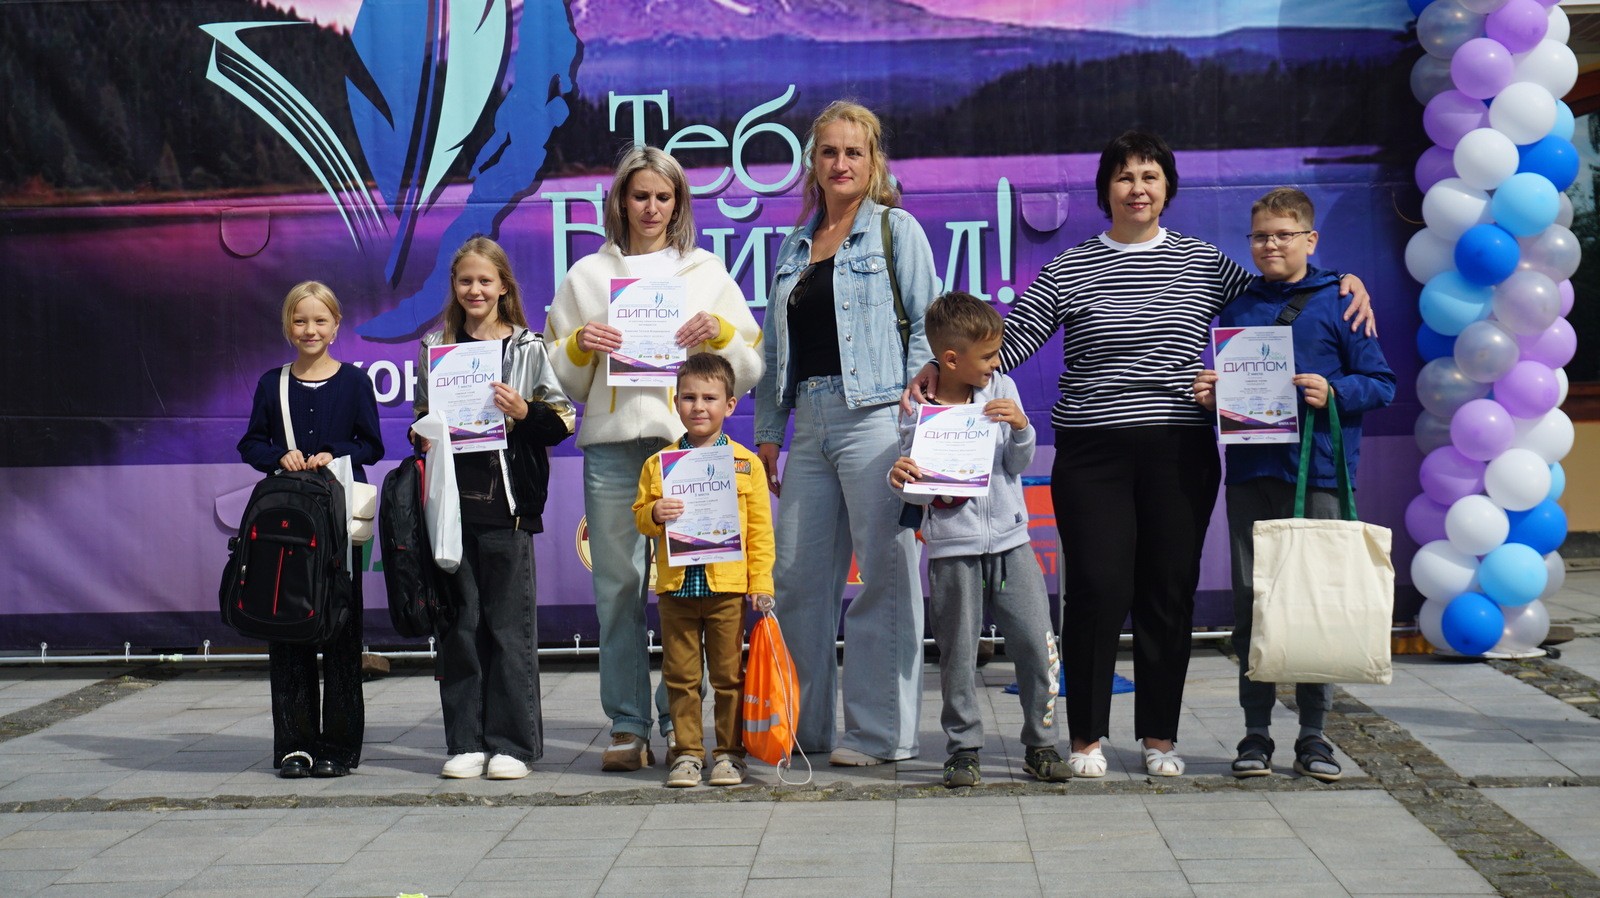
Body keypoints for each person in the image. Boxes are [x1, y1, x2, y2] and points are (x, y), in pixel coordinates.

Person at [909, 130, 1374, 778]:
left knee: (1167, 593)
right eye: (1125, 176)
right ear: (1106, 189)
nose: (1138, 188)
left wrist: (1344, 283)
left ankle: (1160, 738)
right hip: (1091, 452)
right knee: (1097, 590)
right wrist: (941, 368)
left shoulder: (1203, 262)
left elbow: (1278, 294)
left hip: (1178, 450)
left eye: (1150, 176)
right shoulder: (1070, 268)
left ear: (1167, 188)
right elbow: (1002, 346)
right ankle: (1085, 740)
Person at [545, 146, 763, 771]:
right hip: (613, 451)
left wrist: (718, 334)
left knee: (686, 588)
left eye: (663, 197)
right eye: (640, 195)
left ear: (679, 203)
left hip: (685, 453)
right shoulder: (587, 275)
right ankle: (627, 724)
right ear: (620, 200)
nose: (651, 207)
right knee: (617, 590)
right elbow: (562, 378)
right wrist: (581, 345)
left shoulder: (706, 272)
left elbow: (749, 363)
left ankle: (681, 727)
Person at [754, 100, 936, 766]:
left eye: (853, 152)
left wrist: (916, 415)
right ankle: (804, 733)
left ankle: (878, 733)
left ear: (873, 160)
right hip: (808, 422)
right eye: (828, 152)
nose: (840, 163)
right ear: (813, 162)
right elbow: (777, 351)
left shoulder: (896, 229)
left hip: (877, 417)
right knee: (797, 582)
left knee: (884, 578)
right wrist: (769, 432)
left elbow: (928, 325)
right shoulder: (794, 246)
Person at [1191, 187, 1395, 783]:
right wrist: (1213, 396)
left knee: (1315, 604)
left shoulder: (1341, 300)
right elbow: (1236, 388)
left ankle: (1314, 736)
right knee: (1253, 606)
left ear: (1310, 239)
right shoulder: (1238, 303)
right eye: (1261, 236)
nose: (1271, 244)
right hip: (1251, 474)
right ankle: (1255, 734)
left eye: (1284, 234)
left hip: (1321, 474)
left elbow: (1381, 383)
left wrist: (1336, 391)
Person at [888, 292, 1072, 788]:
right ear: (951, 359)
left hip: (1012, 542)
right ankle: (963, 749)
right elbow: (917, 487)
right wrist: (899, 477)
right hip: (953, 550)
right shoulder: (916, 407)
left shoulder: (1002, 388)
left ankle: (1041, 743)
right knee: (958, 655)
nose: (996, 363)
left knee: (1037, 643)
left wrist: (1022, 428)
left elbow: (1016, 463)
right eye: (988, 355)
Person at [414, 237, 575, 780]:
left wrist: (523, 411)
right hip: (450, 508)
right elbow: (420, 418)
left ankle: (512, 745)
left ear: (503, 286)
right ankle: (465, 742)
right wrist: (424, 433)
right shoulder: (435, 346)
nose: (475, 290)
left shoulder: (527, 347)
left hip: (507, 506)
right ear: (454, 287)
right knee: (459, 627)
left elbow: (561, 421)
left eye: (485, 280)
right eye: (466, 281)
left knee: (508, 629)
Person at [238, 281, 383, 779]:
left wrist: (334, 453)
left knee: (342, 631)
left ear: (336, 325)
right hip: (288, 526)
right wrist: (280, 455)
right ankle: (293, 746)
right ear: (288, 326)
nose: (310, 330)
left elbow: (372, 445)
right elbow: (251, 444)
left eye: (320, 320)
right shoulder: (271, 383)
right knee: (288, 629)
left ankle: (338, 748)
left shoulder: (355, 382)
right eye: (300, 321)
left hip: (338, 522)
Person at [633, 353, 775, 788]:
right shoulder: (659, 464)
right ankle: (688, 754)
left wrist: (761, 583)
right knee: (681, 677)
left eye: (710, 398)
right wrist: (654, 512)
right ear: (675, 402)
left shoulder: (745, 463)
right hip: (676, 590)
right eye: (689, 397)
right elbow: (640, 516)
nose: (699, 407)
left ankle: (730, 754)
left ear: (730, 405)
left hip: (726, 591)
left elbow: (759, 532)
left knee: (729, 677)